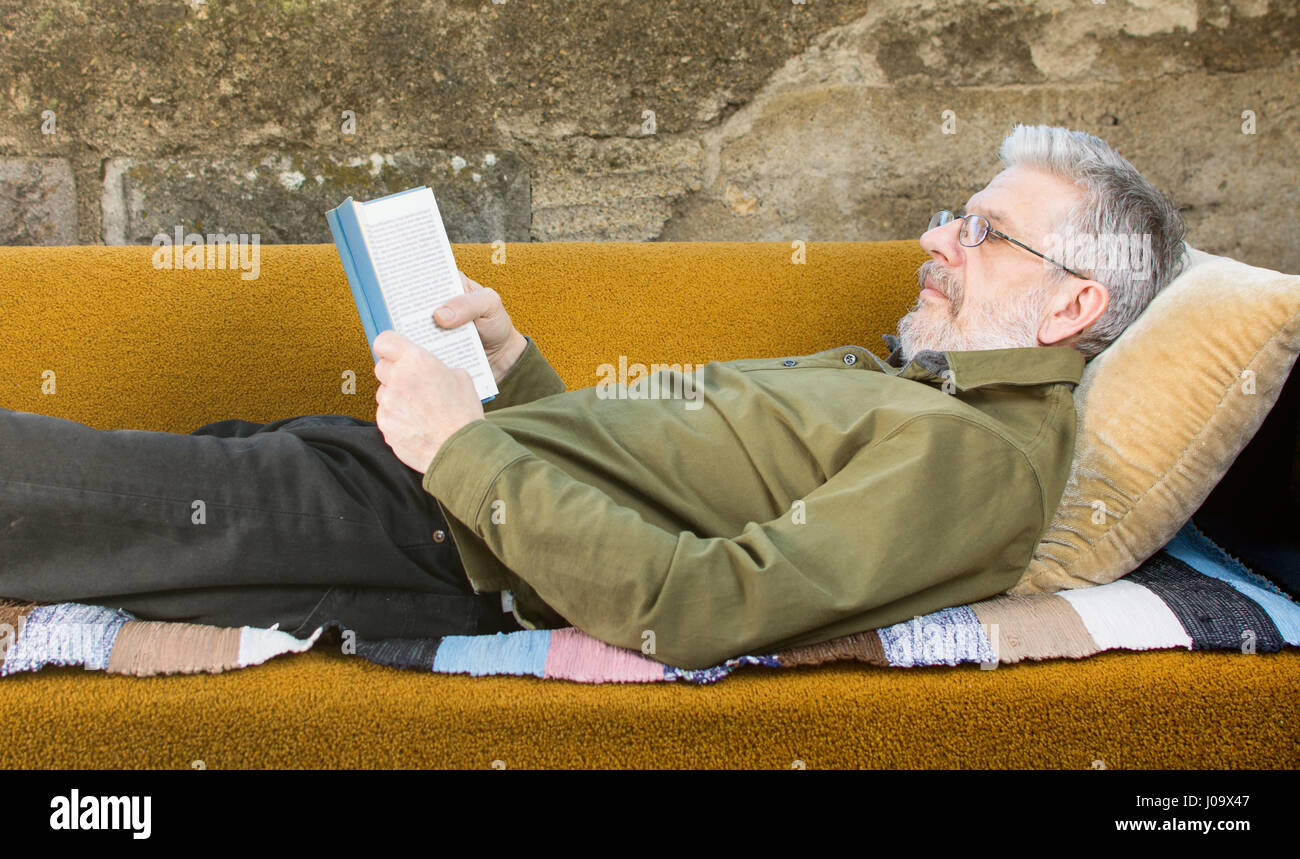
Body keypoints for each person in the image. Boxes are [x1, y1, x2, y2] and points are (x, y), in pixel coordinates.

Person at [0, 124, 1186, 670]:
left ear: (1071, 307)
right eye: (952, 213)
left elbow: (706, 605)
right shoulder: (925, 392)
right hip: (427, 498)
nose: (936, 236)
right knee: (86, 513)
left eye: (981, 231)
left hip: (424, 523)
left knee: (42, 490)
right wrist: (514, 370)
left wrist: (461, 450)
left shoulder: (977, 460)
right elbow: (644, 476)